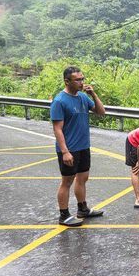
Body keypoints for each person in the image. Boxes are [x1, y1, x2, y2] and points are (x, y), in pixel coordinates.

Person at [50, 66, 106, 226]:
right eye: (78, 79)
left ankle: (83, 209)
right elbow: (57, 129)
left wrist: (93, 94)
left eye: (82, 79)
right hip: (69, 149)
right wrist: (65, 152)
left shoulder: (82, 97)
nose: (81, 82)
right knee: (67, 181)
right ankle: (64, 215)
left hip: (83, 146)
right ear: (67, 81)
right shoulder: (59, 101)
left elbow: (101, 112)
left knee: (83, 178)